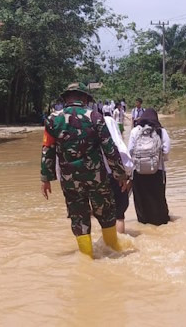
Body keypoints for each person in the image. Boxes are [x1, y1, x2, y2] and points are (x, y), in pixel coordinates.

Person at [41, 83, 128, 258]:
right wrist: (120, 174)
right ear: (85, 99)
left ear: (66, 98)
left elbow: (47, 149)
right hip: (96, 177)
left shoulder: (52, 120)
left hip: (70, 180)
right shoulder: (96, 117)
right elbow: (110, 149)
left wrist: (46, 178)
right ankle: (114, 251)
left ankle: (87, 258)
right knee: (106, 213)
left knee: (78, 217)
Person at [128, 108, 171, 225]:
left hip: (138, 171)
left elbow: (130, 151)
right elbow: (166, 151)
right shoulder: (161, 131)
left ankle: (143, 223)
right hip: (158, 171)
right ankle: (161, 222)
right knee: (158, 198)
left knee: (141, 199)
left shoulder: (135, 131)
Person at [101, 112, 134, 233]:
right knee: (119, 215)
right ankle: (119, 242)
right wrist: (128, 177)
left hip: (100, 181)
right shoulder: (118, 144)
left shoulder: (95, 145)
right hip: (118, 180)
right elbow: (128, 165)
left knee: (105, 215)